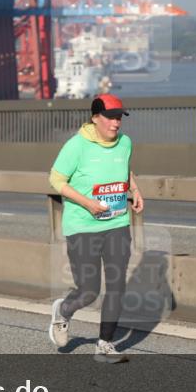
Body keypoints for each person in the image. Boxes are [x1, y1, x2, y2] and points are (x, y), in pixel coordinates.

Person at [47, 94, 144, 363]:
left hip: (117, 222)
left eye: (119, 118)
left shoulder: (125, 143)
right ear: (95, 118)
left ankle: (105, 345)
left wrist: (134, 190)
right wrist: (88, 203)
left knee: (116, 286)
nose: (116, 124)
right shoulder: (77, 146)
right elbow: (56, 179)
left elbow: (124, 169)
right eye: (111, 118)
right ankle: (63, 311)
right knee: (89, 291)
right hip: (82, 225)